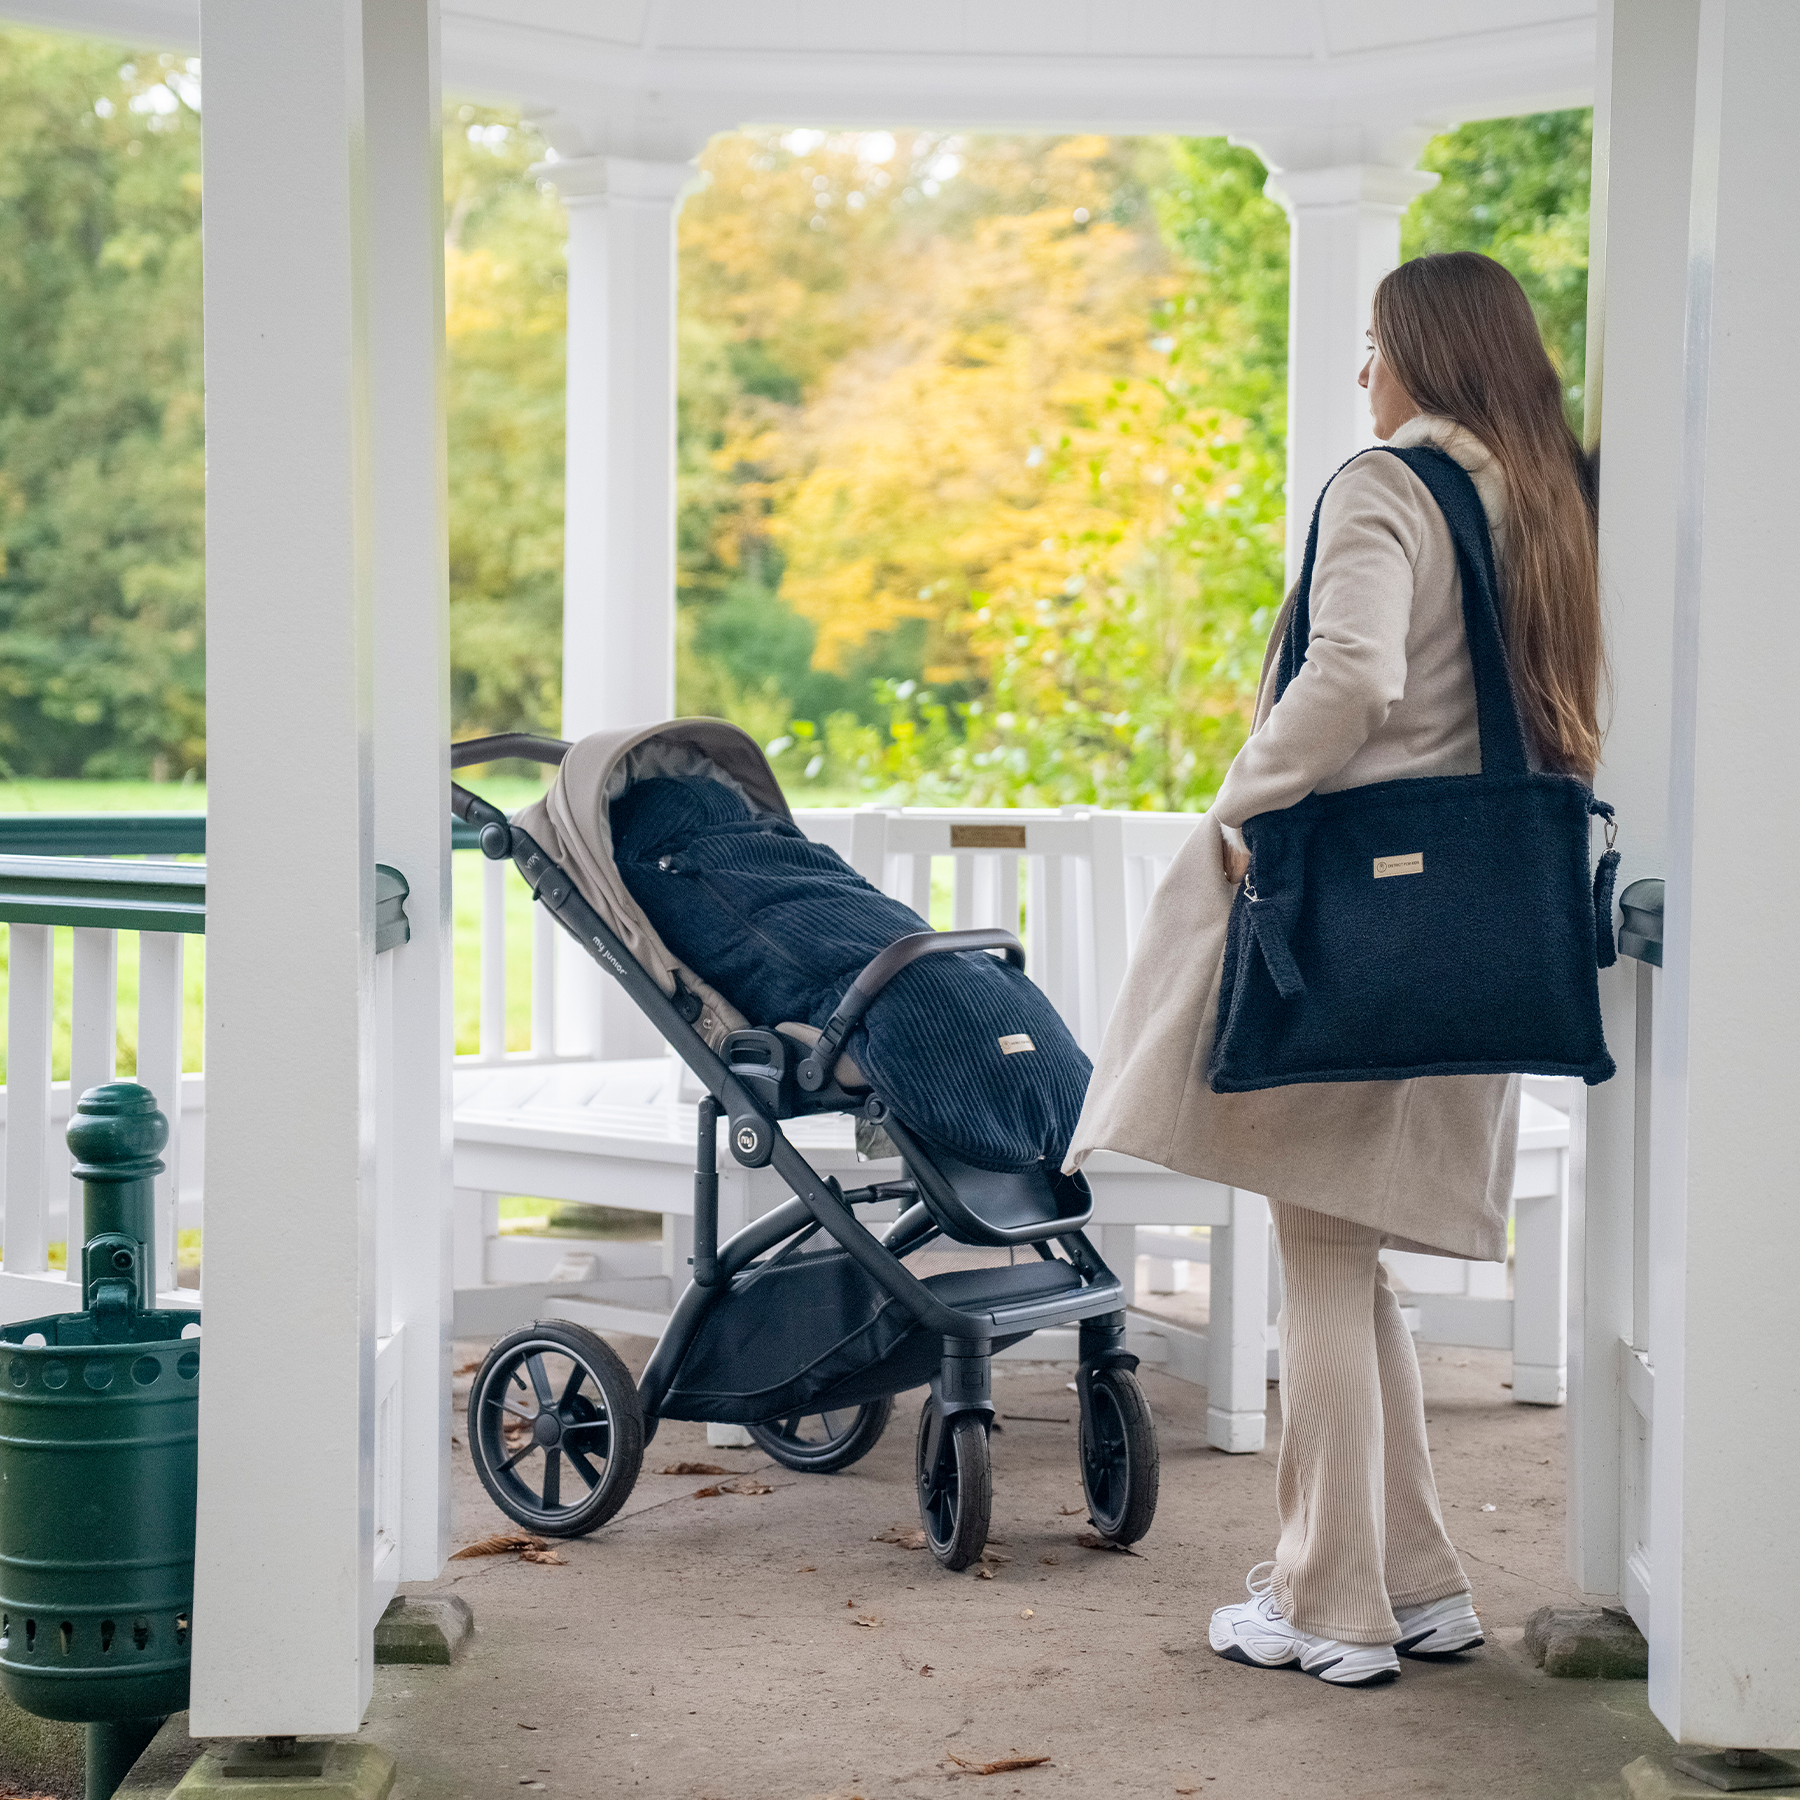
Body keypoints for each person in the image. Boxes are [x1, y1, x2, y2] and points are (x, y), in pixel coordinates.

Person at [1064, 251, 1603, 1687]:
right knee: (1347, 1261)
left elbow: (1353, 674)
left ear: (1423, 350)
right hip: (1473, 928)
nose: (1363, 369)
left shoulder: (1386, 485)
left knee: (1317, 1260)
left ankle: (1327, 1603)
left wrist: (1243, 803)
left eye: (1374, 342)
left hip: (1353, 926)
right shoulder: (1546, 504)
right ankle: (1418, 1585)